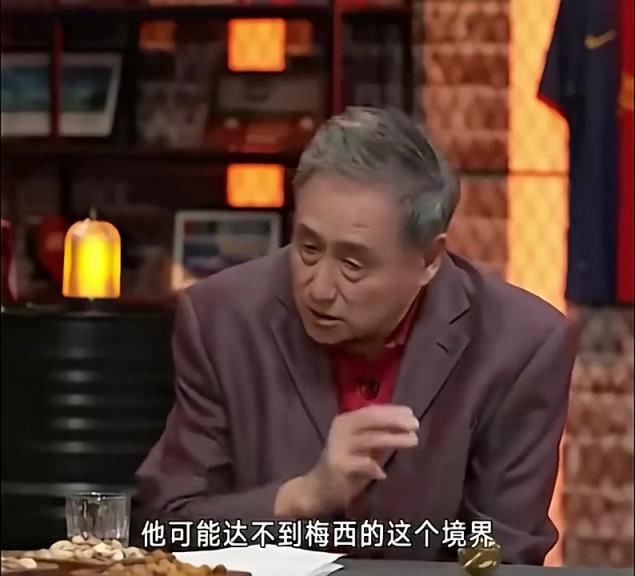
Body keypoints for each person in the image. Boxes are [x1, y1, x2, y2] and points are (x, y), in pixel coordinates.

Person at [135, 107, 576, 565]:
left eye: (352, 264)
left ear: (428, 259)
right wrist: (302, 497)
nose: (319, 289)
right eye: (308, 248)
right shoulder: (223, 319)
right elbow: (164, 527)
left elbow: (499, 557)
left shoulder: (520, 346)